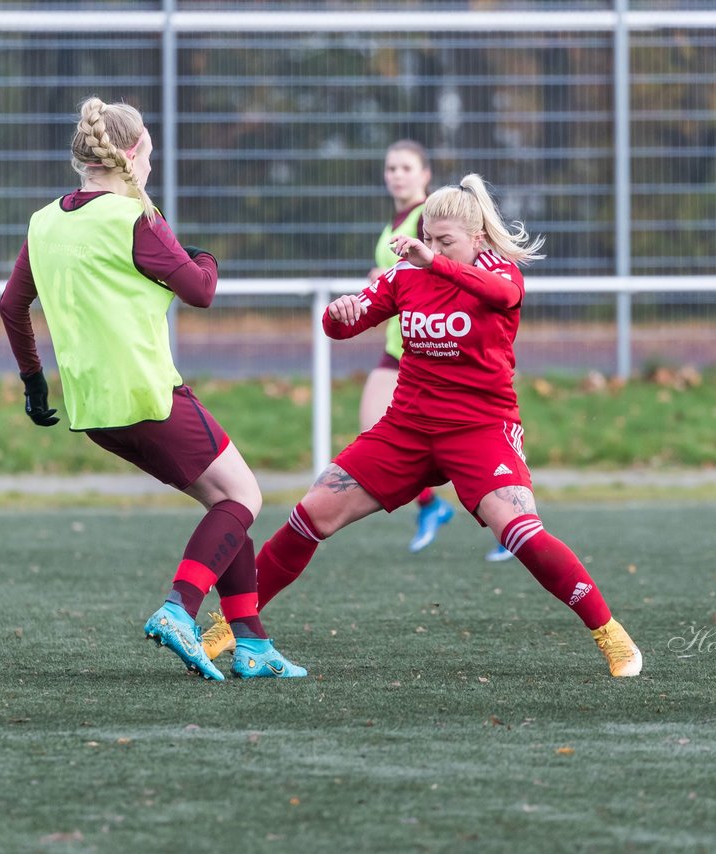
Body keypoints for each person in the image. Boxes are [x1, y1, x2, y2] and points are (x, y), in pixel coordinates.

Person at [254, 174, 643, 678]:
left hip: (481, 429)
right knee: (312, 513)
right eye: (427, 237)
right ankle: (232, 622)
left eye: (445, 241)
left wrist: (432, 260)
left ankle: (611, 634)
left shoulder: (499, 272)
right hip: (408, 428)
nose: (430, 248)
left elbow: (501, 296)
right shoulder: (406, 275)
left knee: (521, 532)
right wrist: (337, 314)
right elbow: (342, 326)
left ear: (476, 239)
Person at [0, 96, 304, 682]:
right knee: (244, 498)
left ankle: (253, 644)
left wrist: (35, 382)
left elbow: (12, 306)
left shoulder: (44, 221)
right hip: (147, 392)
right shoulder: (132, 217)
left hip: (94, 408)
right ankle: (179, 609)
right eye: (150, 157)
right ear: (132, 154)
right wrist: (205, 256)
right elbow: (201, 290)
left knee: (226, 504)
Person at [364, 140, 512, 562]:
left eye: (406, 167)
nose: (396, 174)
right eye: (391, 167)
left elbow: (438, 270)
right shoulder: (398, 221)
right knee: (379, 424)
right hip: (405, 340)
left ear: (425, 175)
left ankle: (499, 516)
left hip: (436, 345)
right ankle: (433, 505)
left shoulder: (430, 217)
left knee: (464, 442)